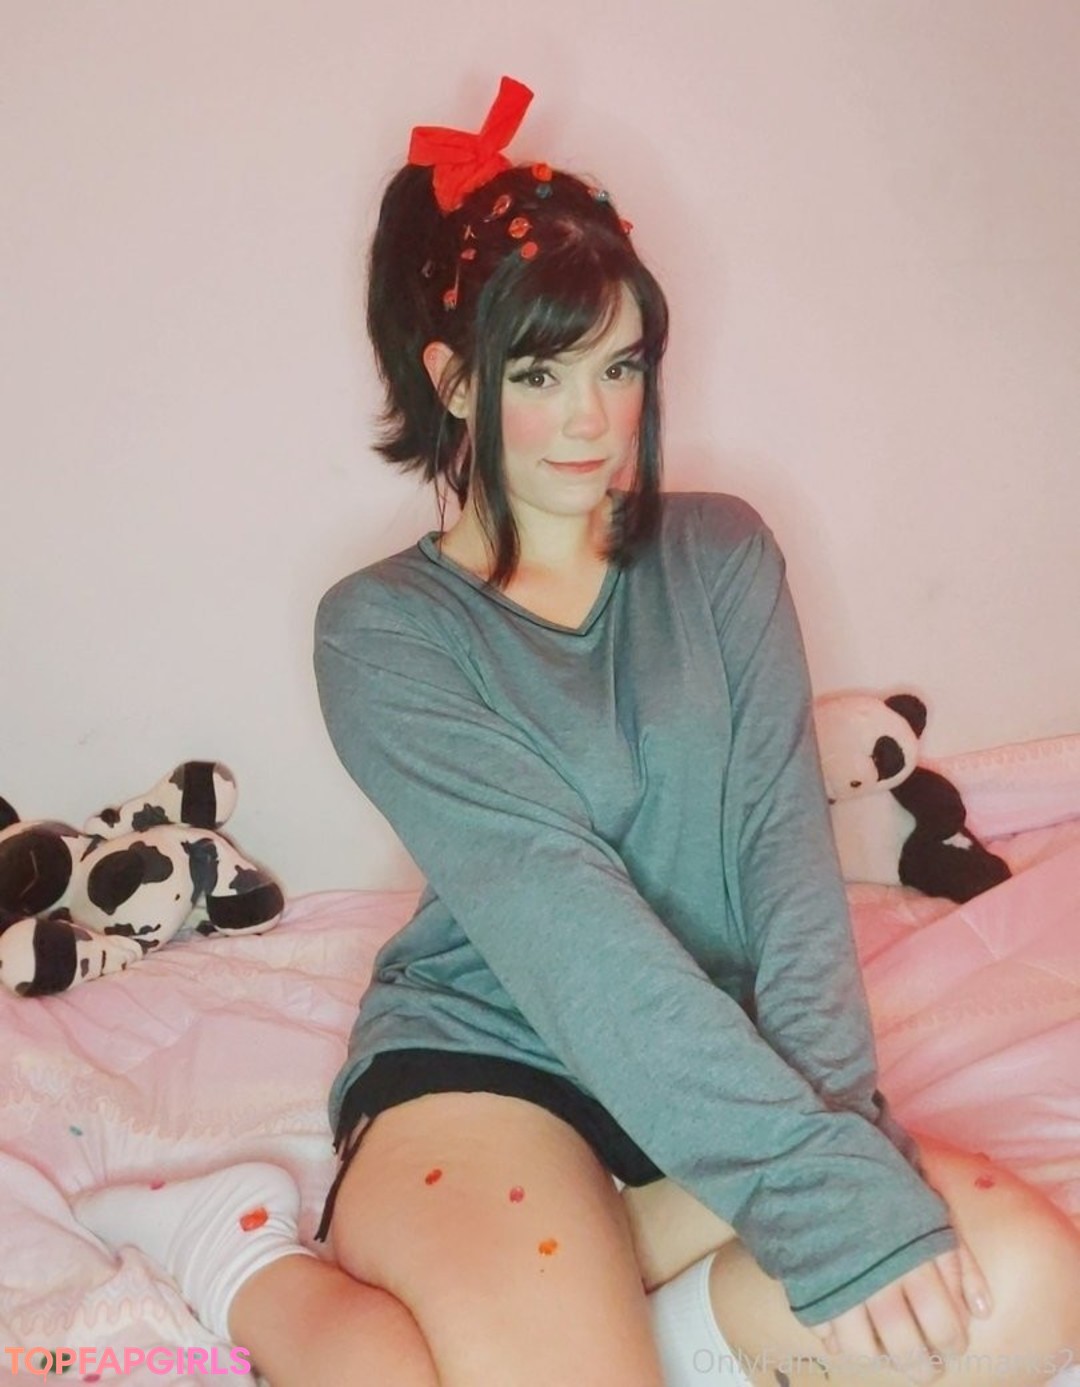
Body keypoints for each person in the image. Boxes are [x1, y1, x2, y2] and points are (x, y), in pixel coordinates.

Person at [75, 77, 1080, 1387]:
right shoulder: (382, 631)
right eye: (540, 374)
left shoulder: (723, 555)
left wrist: (832, 1153)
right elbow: (571, 934)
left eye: (620, 365)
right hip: (493, 1064)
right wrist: (814, 1194)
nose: (595, 421)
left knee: (1031, 1286)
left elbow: (787, 881)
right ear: (453, 382)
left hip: (723, 1074)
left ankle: (624, 1302)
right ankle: (246, 1258)